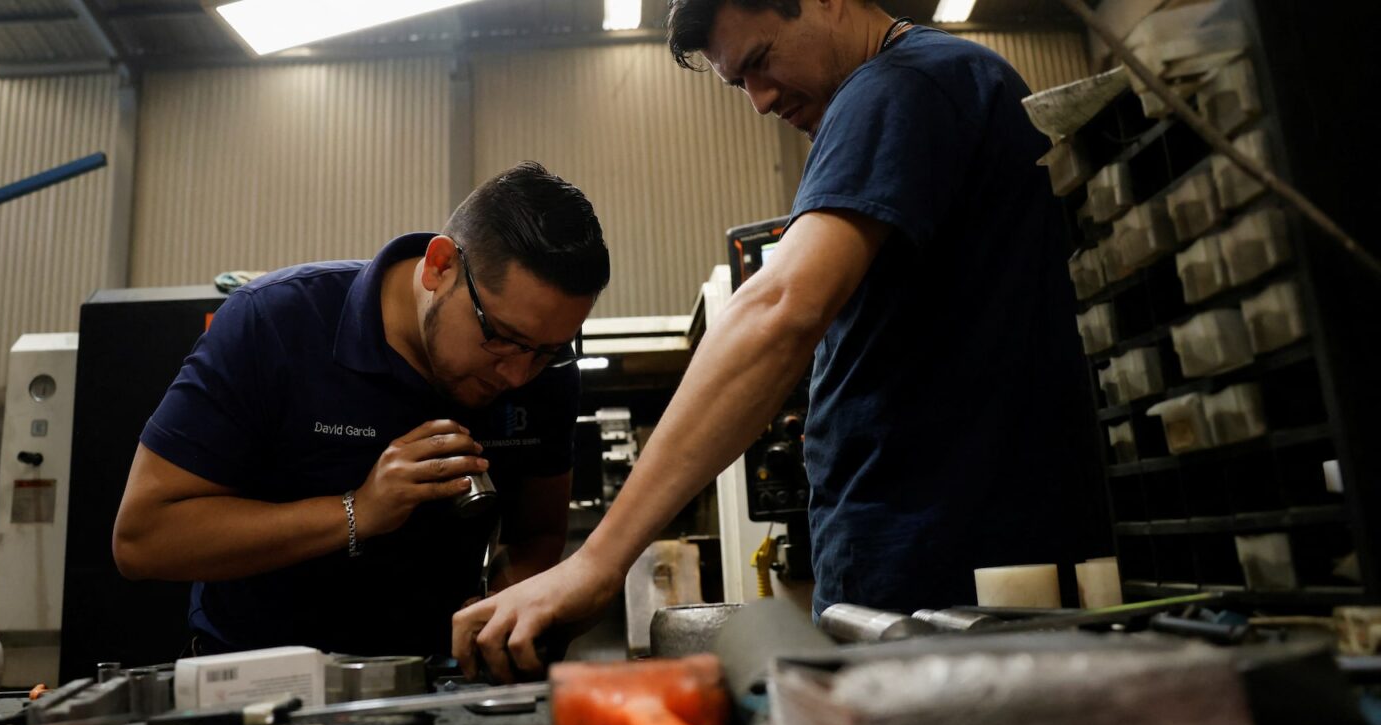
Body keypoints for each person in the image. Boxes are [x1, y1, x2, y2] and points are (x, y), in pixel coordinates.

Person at [452, 0, 1107, 681]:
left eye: (761, 62)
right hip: (950, 571)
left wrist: (596, 562)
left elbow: (779, 308)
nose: (761, 102)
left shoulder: (897, 85)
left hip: (942, 579)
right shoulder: (948, 81)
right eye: (740, 84)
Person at [112, 161, 610, 657]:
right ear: (440, 267)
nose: (517, 376)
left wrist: (510, 599)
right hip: (259, 685)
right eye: (500, 338)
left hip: (437, 681)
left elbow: (539, 532)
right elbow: (143, 539)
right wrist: (357, 511)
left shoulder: (545, 368)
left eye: (547, 351)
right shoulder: (275, 324)